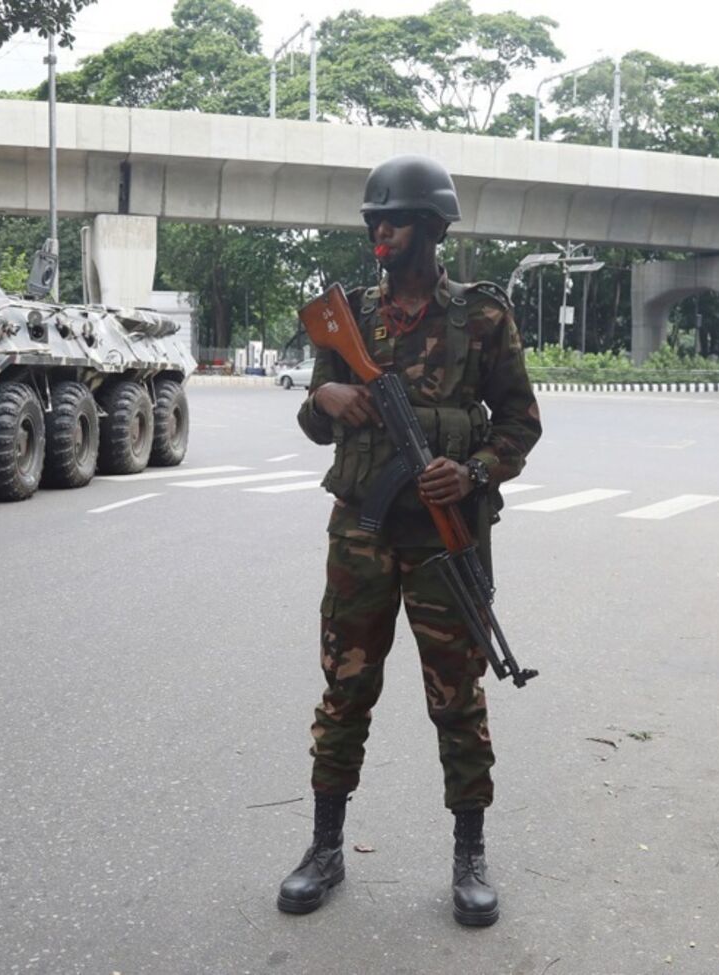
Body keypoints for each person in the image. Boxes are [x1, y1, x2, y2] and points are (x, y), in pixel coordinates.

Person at [277, 154, 542, 926]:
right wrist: (324, 393)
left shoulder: (482, 317)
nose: (379, 233)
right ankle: (324, 850)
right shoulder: (349, 316)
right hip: (360, 534)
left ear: (431, 230)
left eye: (392, 221)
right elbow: (314, 421)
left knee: (456, 697)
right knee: (345, 688)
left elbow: (522, 422)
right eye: (372, 222)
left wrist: (474, 471)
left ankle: (469, 857)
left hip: (444, 544)